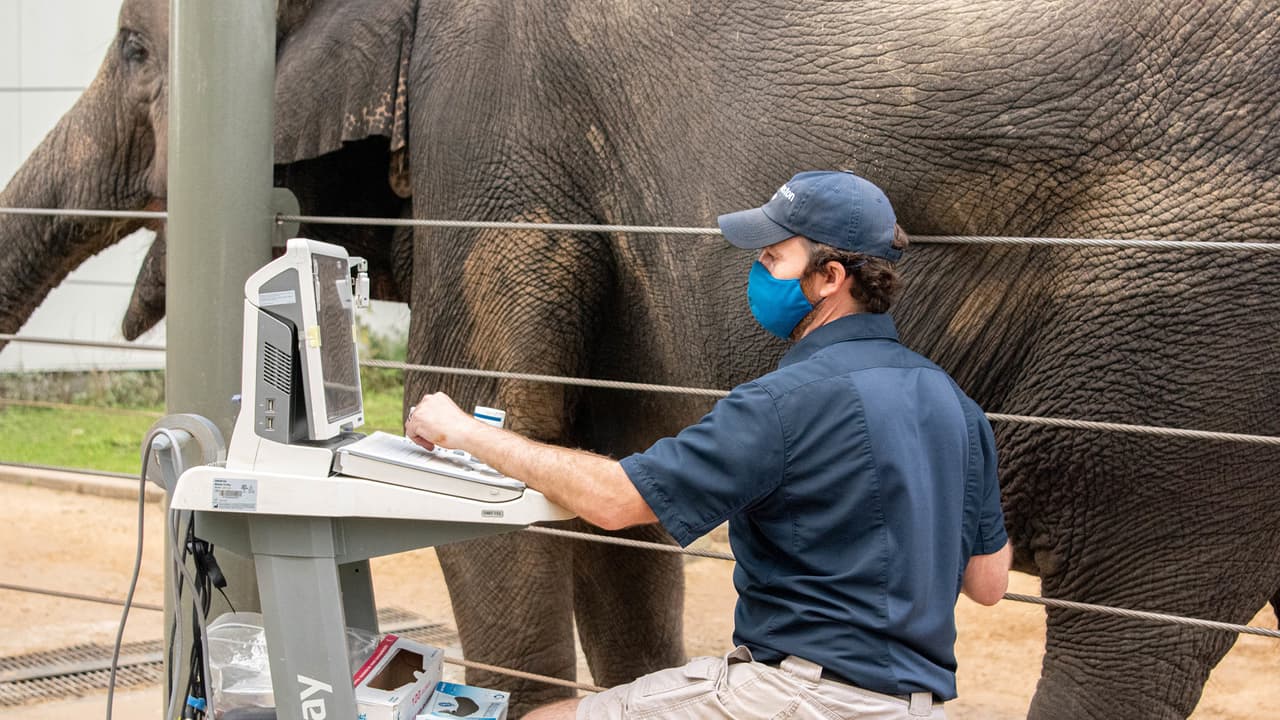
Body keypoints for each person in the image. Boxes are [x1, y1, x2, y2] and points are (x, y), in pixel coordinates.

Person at [405, 170, 1012, 720]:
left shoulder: (783, 402)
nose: (758, 273)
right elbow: (988, 583)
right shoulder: (957, 407)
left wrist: (466, 431)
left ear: (830, 278)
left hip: (795, 696)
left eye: (774, 258)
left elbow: (616, 501)